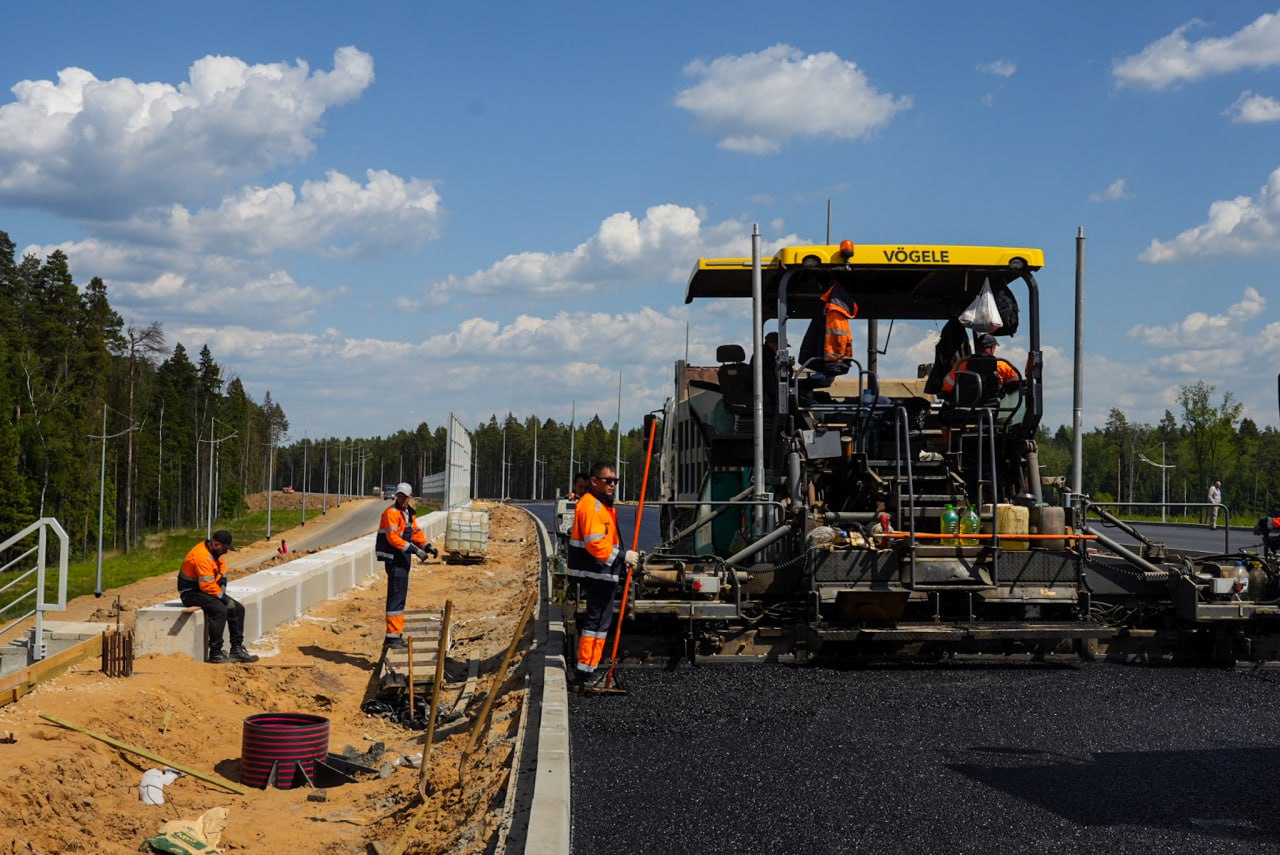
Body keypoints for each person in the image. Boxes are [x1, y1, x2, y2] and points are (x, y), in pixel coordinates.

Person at [566, 463, 638, 689]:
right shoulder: (591, 506)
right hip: (594, 571)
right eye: (608, 480)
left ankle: (589, 668)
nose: (613, 485)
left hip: (602, 571)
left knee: (599, 623)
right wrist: (623, 556)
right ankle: (585, 672)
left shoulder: (601, 505)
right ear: (594, 481)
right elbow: (594, 543)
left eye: (615, 481)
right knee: (595, 623)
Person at [177, 529, 258, 664]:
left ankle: (237, 649)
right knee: (220, 610)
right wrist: (224, 598)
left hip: (204, 591)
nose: (226, 552)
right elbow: (206, 585)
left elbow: (222, 572)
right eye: (224, 548)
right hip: (190, 593)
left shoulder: (215, 554)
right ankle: (215, 652)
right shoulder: (201, 556)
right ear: (215, 544)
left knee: (238, 609)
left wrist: (223, 589)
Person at [374, 482, 437, 649]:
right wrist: (416, 551)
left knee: (400, 597)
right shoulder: (391, 513)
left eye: (404, 496)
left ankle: (395, 635)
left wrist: (427, 546)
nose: (401, 499)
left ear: (410, 497)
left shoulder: (408, 513)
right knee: (396, 597)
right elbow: (393, 538)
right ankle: (393, 638)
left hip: (402, 559)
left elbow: (415, 533)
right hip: (395, 559)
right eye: (399, 496)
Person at [940, 332, 1019, 398]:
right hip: (993, 406)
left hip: (967, 407)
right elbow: (1016, 383)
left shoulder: (962, 363)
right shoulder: (1001, 364)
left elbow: (948, 387)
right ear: (992, 348)